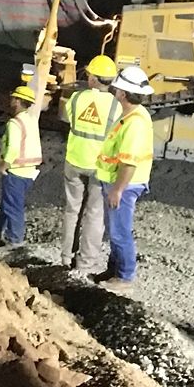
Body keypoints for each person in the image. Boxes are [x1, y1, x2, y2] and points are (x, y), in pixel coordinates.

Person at [96, 65, 158, 292]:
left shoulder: (135, 123)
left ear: (123, 93)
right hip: (118, 182)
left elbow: (129, 162)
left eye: (117, 89)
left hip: (125, 185)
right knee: (115, 229)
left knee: (119, 231)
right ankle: (113, 271)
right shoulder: (133, 115)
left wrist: (118, 190)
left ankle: (125, 276)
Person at [60, 54, 119, 275]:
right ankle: (85, 266)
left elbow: (68, 119)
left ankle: (66, 257)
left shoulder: (76, 98)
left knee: (71, 209)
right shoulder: (115, 106)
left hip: (74, 161)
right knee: (94, 215)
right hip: (99, 167)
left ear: (92, 78)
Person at [0, 83, 44, 246]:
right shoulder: (31, 120)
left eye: (14, 98)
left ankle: (15, 242)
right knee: (9, 202)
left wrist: (4, 164)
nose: (11, 100)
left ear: (18, 101)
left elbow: (13, 147)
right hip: (29, 171)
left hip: (16, 171)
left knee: (13, 207)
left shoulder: (14, 124)